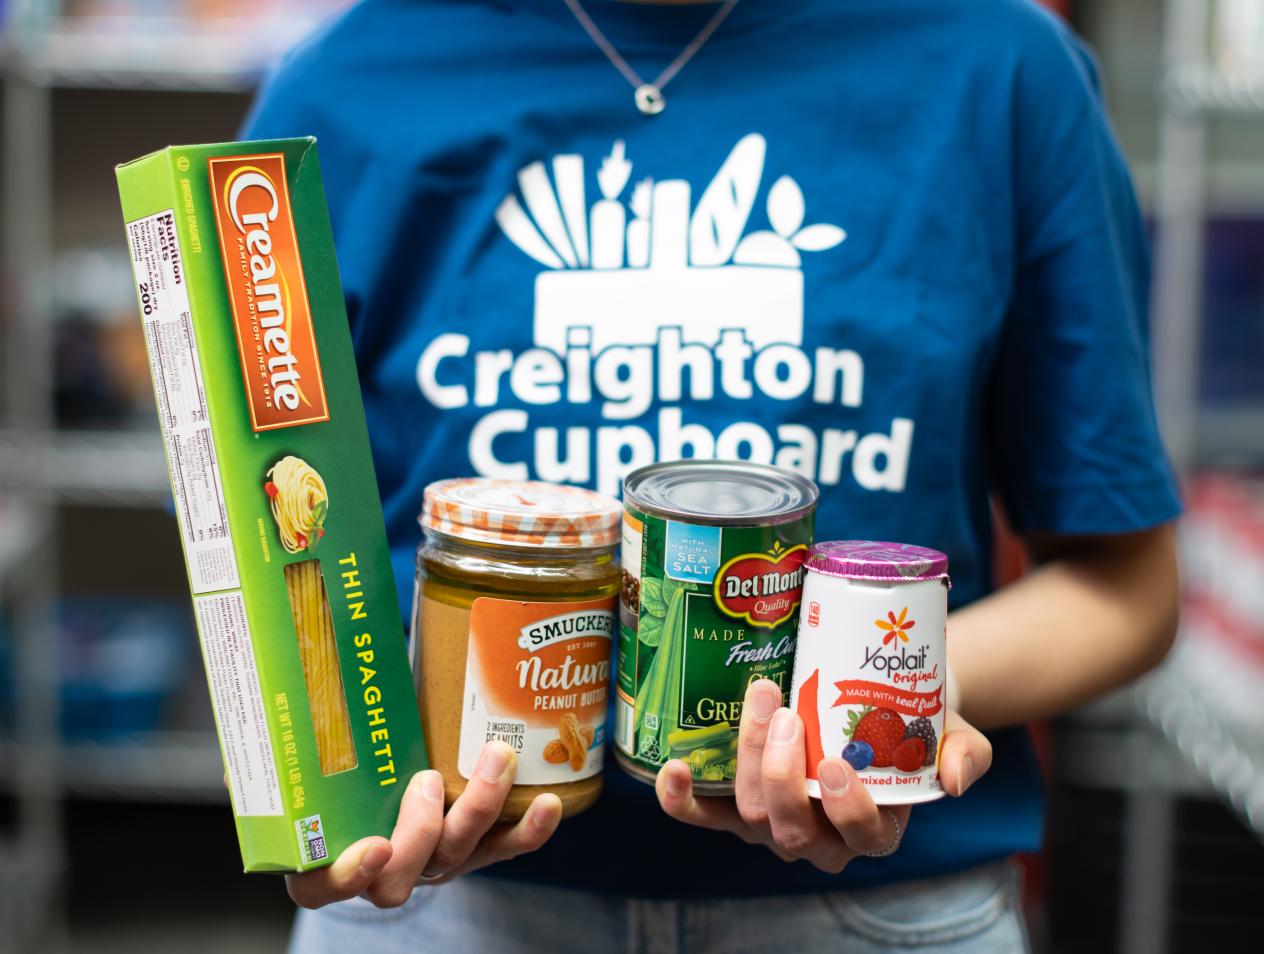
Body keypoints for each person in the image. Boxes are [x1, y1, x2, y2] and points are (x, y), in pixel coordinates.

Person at [243, 1, 1181, 950]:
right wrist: (316, 799)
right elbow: (264, 550)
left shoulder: (1000, 64)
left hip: (878, 909)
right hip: (441, 906)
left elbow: (1126, 592)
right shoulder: (344, 83)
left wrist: (855, 709)